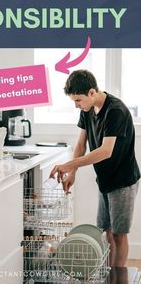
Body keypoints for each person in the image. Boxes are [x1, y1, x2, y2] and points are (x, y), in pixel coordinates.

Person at [50, 70, 140, 267]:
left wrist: (68, 165)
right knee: (105, 232)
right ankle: (108, 275)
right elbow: (81, 144)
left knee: (118, 234)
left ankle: (119, 277)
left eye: (78, 100)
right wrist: (72, 172)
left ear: (92, 93)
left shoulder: (115, 110)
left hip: (123, 181)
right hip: (105, 180)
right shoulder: (87, 110)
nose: (76, 105)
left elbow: (105, 151)